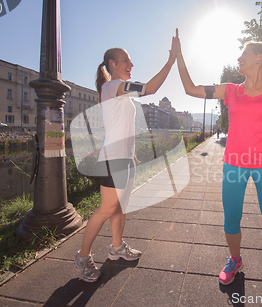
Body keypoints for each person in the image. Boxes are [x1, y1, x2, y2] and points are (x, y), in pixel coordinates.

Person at [174, 29, 262, 295]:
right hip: (234, 165)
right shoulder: (230, 91)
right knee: (231, 219)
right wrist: (179, 56)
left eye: (244, 54)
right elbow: (190, 89)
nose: (239, 58)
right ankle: (235, 260)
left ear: (258, 59)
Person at [74, 36, 177, 282]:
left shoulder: (120, 90)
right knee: (106, 209)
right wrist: (171, 61)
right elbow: (150, 89)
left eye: (131, 61)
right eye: (125, 61)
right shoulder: (113, 87)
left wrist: (131, 153)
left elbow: (120, 126)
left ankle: (117, 248)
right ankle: (83, 256)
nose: (130, 64)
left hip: (124, 158)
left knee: (120, 207)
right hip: (112, 160)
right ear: (112, 64)